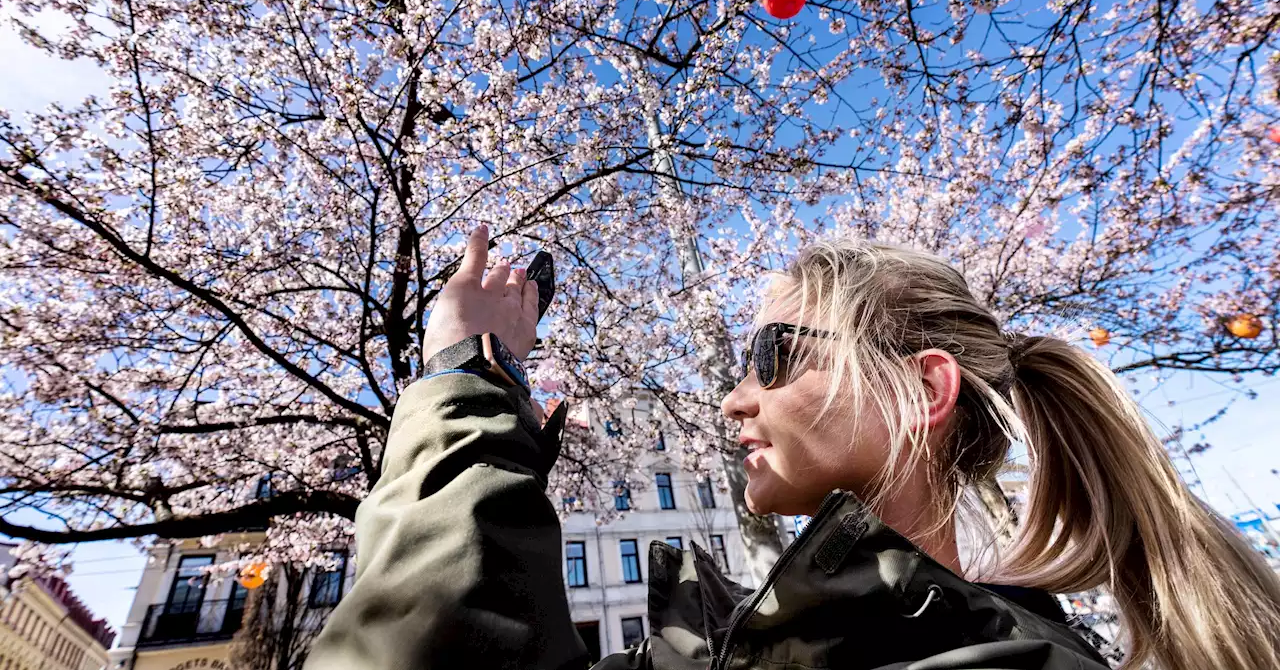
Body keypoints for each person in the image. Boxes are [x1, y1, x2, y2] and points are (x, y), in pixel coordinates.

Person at [304, 228, 1280, 670]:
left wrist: (462, 389)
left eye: (773, 356)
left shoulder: (991, 660)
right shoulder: (743, 643)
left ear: (921, 390)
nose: (734, 398)